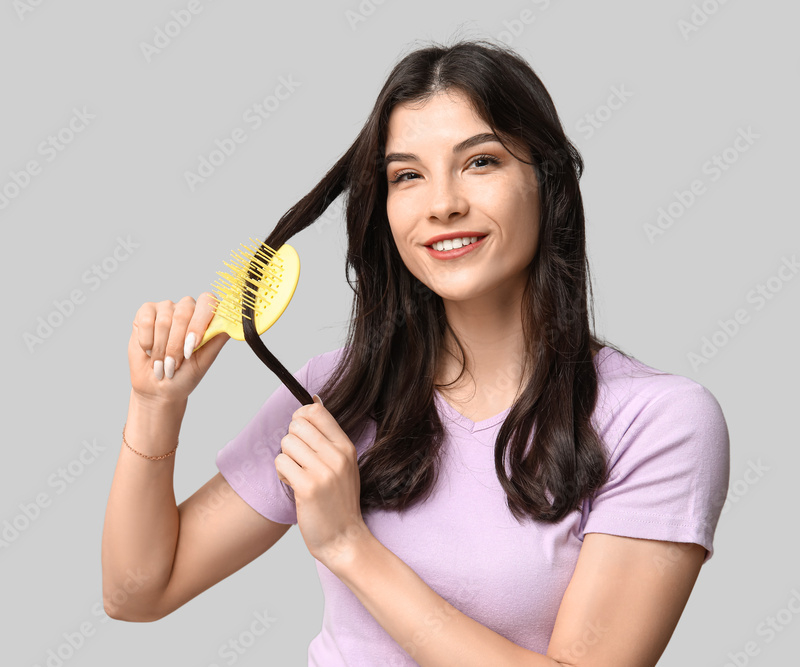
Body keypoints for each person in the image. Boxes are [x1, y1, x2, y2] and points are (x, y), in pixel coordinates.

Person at [101, 38, 731, 666]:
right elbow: (137, 593)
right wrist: (156, 404)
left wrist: (350, 544)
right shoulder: (336, 395)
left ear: (547, 182)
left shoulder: (658, 421)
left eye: (480, 163)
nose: (442, 204)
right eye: (408, 175)